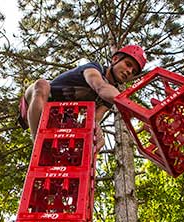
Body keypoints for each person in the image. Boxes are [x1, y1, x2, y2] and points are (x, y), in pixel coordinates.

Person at [18, 45, 147, 150]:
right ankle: (39, 147)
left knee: (91, 137)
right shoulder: (94, 69)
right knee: (42, 85)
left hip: (59, 119)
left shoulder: (110, 100)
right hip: (39, 101)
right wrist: (137, 110)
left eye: (134, 72)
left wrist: (96, 134)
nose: (129, 71)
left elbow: (92, 120)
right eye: (128, 64)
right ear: (115, 59)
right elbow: (100, 87)